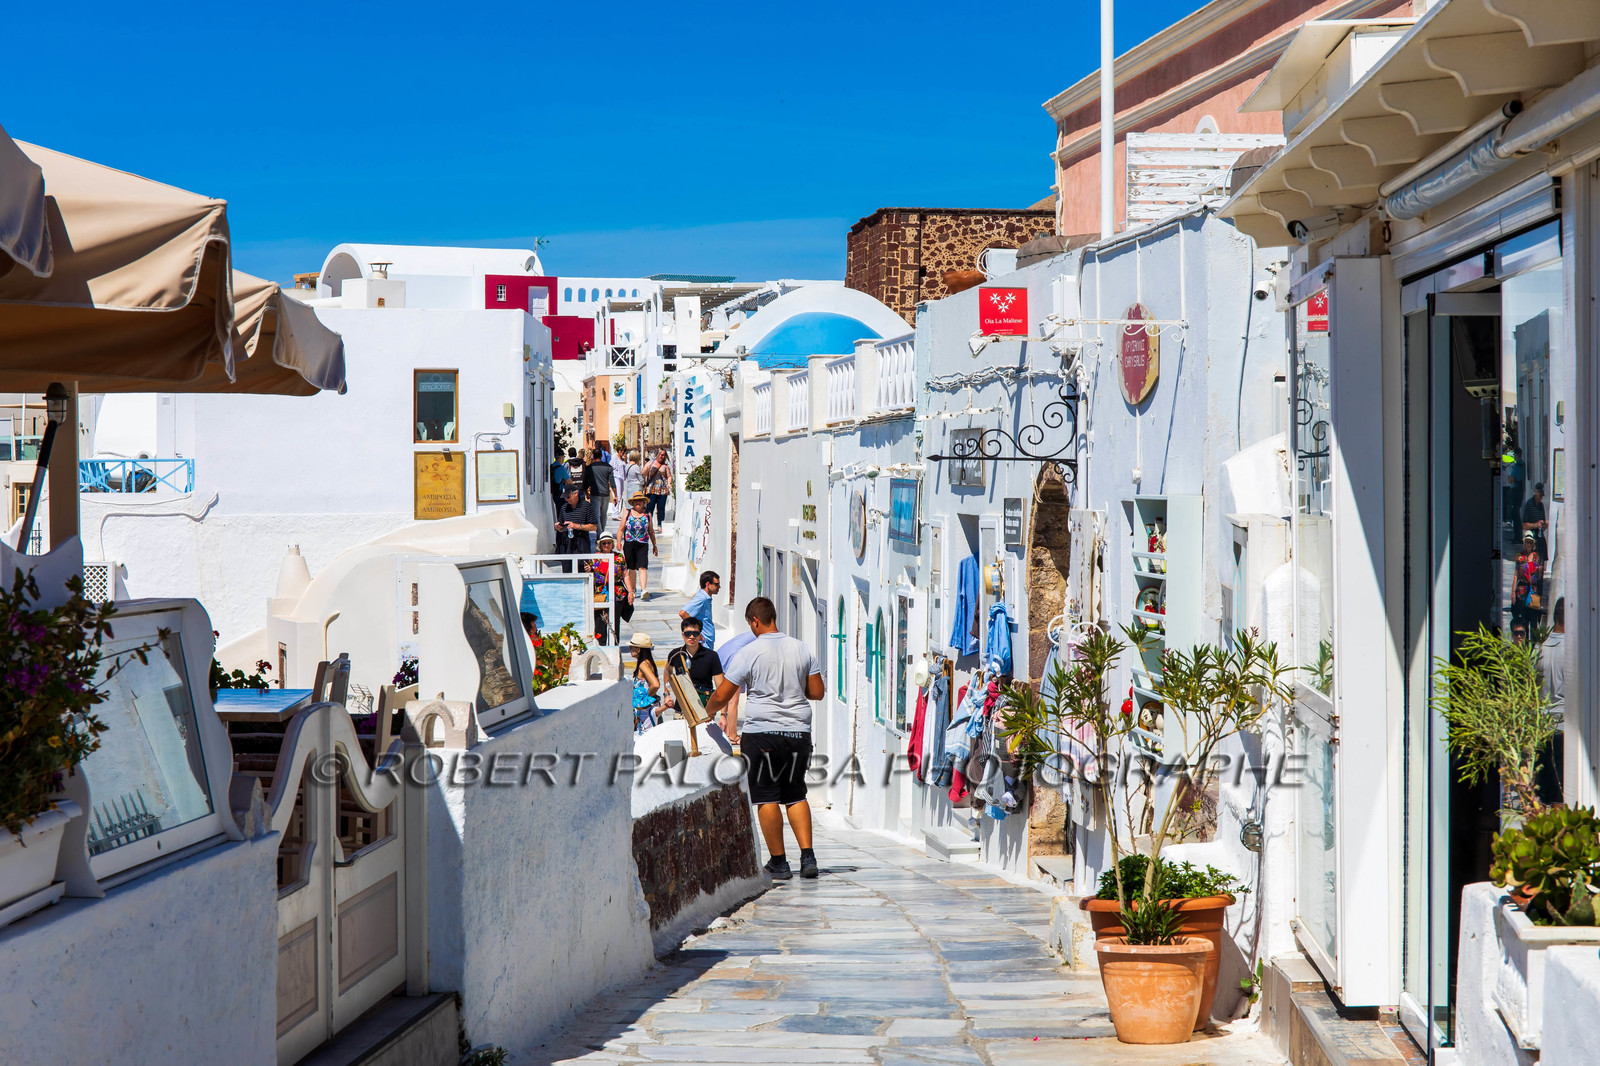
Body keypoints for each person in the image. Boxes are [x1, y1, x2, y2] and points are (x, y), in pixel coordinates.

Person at [706, 596, 825, 880]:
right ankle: (808, 859)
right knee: (795, 793)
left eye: (750, 625)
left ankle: (779, 862)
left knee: (767, 797)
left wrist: (706, 710)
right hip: (798, 731)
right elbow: (817, 692)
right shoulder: (801, 647)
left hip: (762, 733)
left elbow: (723, 693)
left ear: (754, 621)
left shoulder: (749, 652)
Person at [665, 618, 724, 710]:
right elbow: (667, 671)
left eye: (695, 633)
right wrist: (667, 694)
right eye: (687, 633)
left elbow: (720, 687)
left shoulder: (711, 656)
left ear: (700, 635)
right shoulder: (675, 654)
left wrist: (723, 714)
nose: (691, 636)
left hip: (704, 709)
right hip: (682, 708)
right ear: (682, 635)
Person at [592, 532, 633, 644]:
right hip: (601, 593)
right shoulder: (595, 558)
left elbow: (625, 575)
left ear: (612, 544)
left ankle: (614, 644)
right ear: (600, 544)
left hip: (617, 592)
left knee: (615, 621)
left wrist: (630, 592)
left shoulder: (619, 557)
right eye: (604, 543)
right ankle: (601, 644)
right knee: (600, 620)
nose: (606, 545)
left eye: (609, 543)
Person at [621, 492, 659, 602]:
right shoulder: (627, 513)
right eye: (636, 501)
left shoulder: (648, 514)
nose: (638, 503)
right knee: (631, 567)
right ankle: (632, 590)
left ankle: (643, 589)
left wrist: (654, 545)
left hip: (643, 543)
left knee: (642, 566)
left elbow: (651, 531)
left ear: (643, 503)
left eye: (640, 501)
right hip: (629, 543)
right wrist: (618, 541)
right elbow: (621, 529)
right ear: (633, 503)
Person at [555, 483, 598, 566]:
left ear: (576, 494)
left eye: (568, 497)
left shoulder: (586, 506)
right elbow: (561, 527)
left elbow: (594, 527)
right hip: (567, 545)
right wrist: (558, 528)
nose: (566, 500)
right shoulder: (564, 508)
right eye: (565, 498)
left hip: (581, 544)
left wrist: (577, 526)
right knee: (567, 571)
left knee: (582, 570)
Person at [680, 570, 721, 650]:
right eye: (716, 584)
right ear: (708, 584)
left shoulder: (705, 598)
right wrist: (696, 631)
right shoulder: (702, 598)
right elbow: (683, 613)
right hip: (703, 642)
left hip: (706, 640)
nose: (719, 587)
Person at [630, 634, 660, 733]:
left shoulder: (643, 665)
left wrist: (646, 698)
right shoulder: (649, 662)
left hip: (645, 711)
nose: (630, 649)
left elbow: (655, 684)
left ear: (638, 649)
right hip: (646, 710)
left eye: (631, 647)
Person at [584, 448, 614, 546]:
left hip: (594, 493)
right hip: (605, 493)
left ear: (593, 456)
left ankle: (600, 534)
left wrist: (586, 492)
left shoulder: (590, 467)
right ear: (601, 456)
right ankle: (602, 532)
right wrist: (616, 495)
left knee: (596, 515)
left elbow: (586, 481)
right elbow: (612, 482)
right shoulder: (608, 467)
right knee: (603, 515)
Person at [643, 448, 672, 525]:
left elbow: (669, 476)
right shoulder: (650, 463)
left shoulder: (665, 466)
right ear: (657, 454)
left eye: (664, 455)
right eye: (661, 454)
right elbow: (643, 474)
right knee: (649, 508)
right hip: (651, 489)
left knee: (661, 508)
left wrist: (669, 483)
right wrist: (647, 469)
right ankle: (648, 524)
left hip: (662, 490)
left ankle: (660, 524)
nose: (662, 456)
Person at [1522, 481, 1549, 560]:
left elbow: (1542, 523)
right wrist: (1535, 525)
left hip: (1539, 536)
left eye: (1542, 496)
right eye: (1540, 495)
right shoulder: (1529, 504)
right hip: (1532, 536)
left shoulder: (1541, 505)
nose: (1541, 498)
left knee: (1542, 553)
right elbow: (1524, 525)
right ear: (1536, 493)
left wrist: (1544, 525)